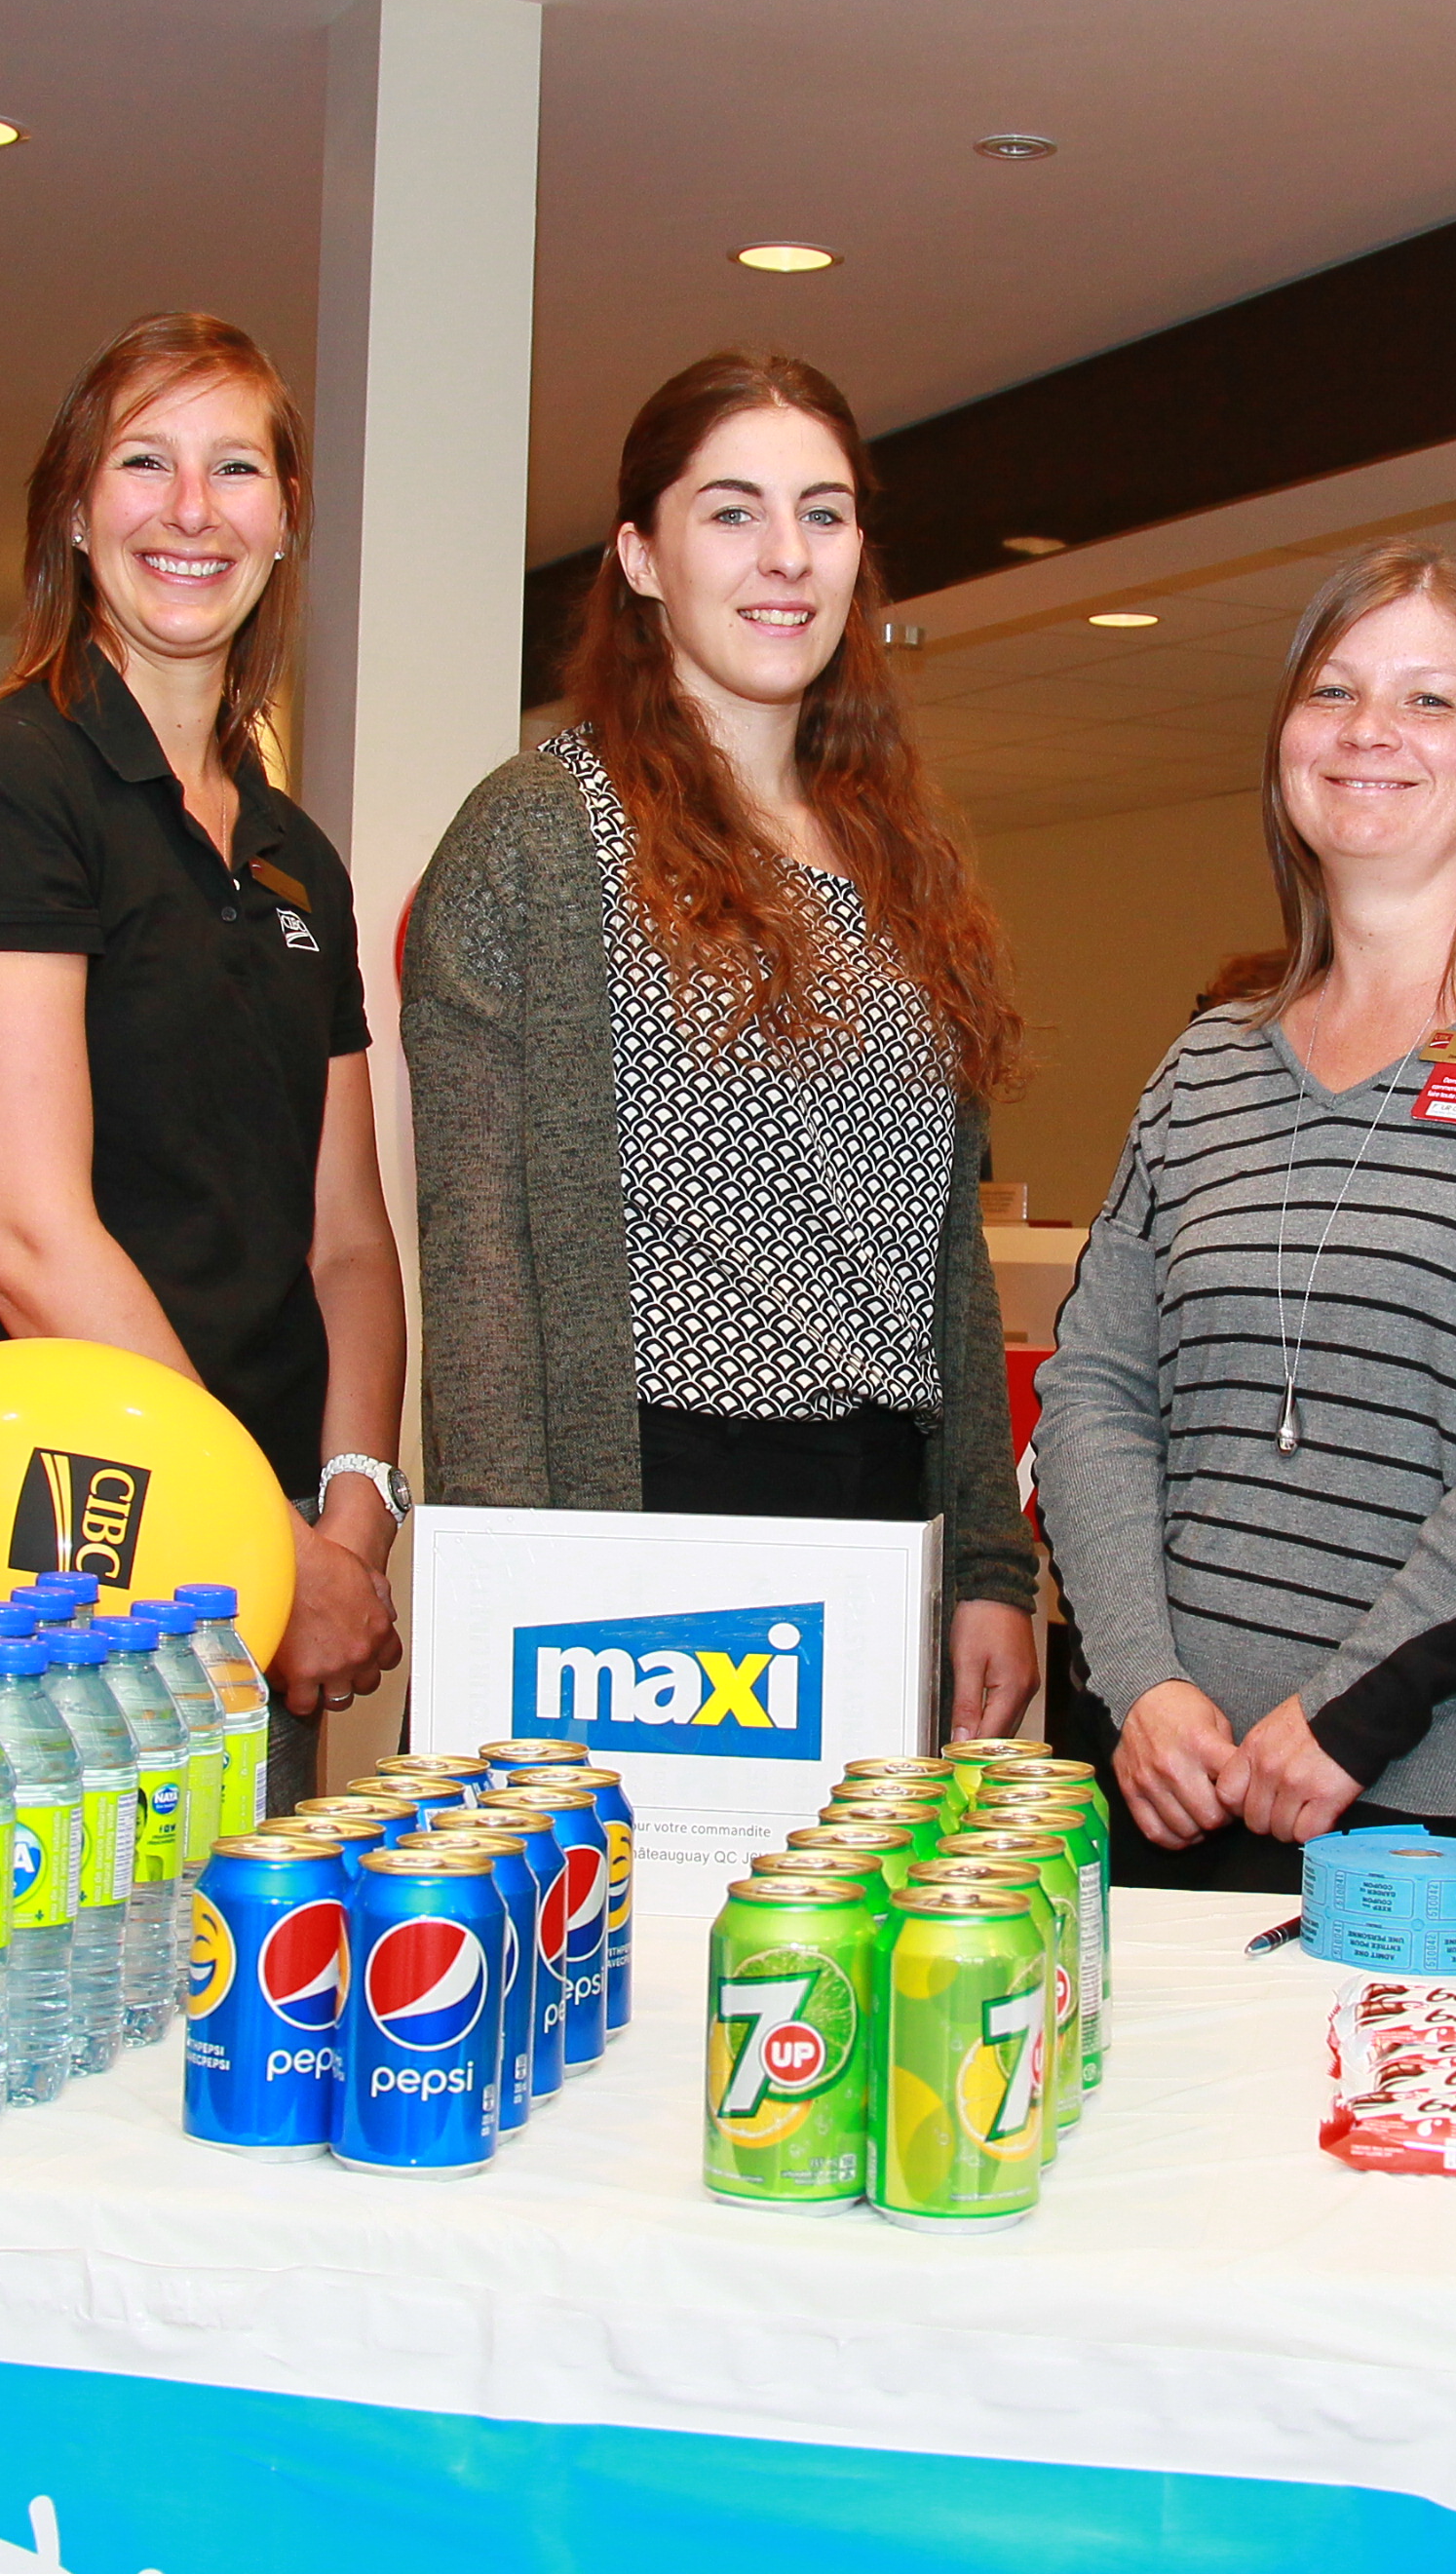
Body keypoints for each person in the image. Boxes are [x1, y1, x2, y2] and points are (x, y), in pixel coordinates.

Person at [1034, 541, 1456, 1907]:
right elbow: (1097, 1392)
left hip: (1445, 1796)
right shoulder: (1207, 1066)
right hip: (1178, 1788)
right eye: (1334, 691)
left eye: (1431, 702)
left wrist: (1359, 1711)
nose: (1370, 734)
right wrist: (1142, 1683)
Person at [406, 351, 1039, 1737]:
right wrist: (520, 1591)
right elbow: (481, 1267)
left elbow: (945, 1259)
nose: (786, 558)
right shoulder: (536, 838)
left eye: (824, 514)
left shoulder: (904, 864)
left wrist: (988, 1560)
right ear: (641, 557)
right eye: (733, 511)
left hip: (880, 1520)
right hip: (634, 1520)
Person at [0, 315, 406, 1812]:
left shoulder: (295, 851)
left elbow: (350, 1243)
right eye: (145, 462)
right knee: (51, 2018)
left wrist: (350, 1522)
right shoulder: (4, 781)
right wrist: (260, 1540)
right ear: (71, 507)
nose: (191, 509)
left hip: (273, 1550)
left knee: (244, 2010)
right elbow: (28, 1239)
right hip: (44, 1551)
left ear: (287, 520)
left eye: (237, 467)